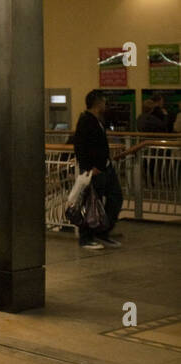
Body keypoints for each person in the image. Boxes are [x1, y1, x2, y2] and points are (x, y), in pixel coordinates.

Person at [72, 89, 123, 250]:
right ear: (98, 103)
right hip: (94, 170)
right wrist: (89, 168)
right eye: (104, 102)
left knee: (115, 198)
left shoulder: (97, 120)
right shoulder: (86, 121)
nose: (105, 105)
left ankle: (102, 231)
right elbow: (80, 147)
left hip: (105, 168)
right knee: (91, 202)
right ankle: (86, 237)